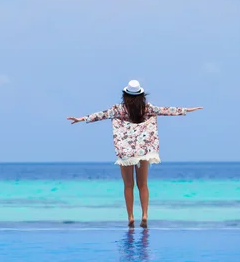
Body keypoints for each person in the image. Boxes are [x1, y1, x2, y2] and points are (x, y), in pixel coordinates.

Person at [67, 80, 203, 228]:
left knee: (128, 185)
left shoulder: (118, 109)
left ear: (125, 94)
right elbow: (165, 110)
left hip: (125, 151)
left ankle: (131, 217)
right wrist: (187, 110)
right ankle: (144, 215)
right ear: (141, 94)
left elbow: (101, 115)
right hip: (143, 151)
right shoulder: (146, 108)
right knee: (143, 184)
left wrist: (81, 119)